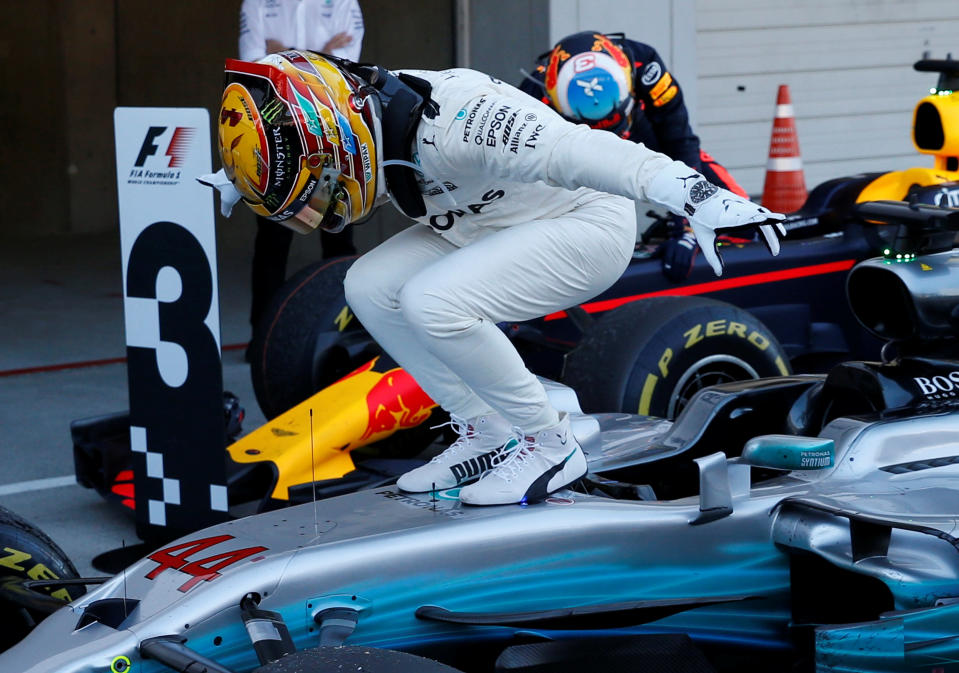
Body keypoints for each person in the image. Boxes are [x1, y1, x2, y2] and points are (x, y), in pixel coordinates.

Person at [202, 50, 785, 505]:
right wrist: (245, 175)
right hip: (485, 221)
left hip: (581, 222)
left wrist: (697, 195)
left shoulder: (463, 121)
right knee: (368, 287)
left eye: (321, 182)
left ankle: (551, 444)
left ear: (338, 135)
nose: (324, 204)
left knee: (434, 301)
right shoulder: (346, 110)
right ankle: (487, 431)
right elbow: (289, 109)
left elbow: (586, 151)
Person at [521, 31, 751, 282]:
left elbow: (681, 143)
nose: (613, 141)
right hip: (576, 150)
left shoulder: (646, 67)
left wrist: (689, 228)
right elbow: (522, 181)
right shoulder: (531, 99)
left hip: (641, 129)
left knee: (736, 213)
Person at [238, 0, 365, 345]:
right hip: (277, 139)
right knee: (272, 240)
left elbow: (345, 71)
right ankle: (261, 338)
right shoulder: (257, 2)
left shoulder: (342, 1)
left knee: (336, 233)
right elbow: (253, 67)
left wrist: (284, 54)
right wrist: (319, 54)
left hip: (328, 140)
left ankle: (345, 331)